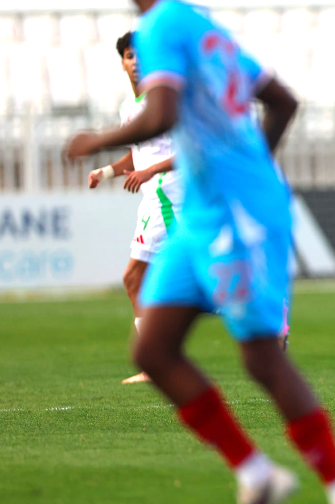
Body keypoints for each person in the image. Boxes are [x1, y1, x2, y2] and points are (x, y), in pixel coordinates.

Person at [64, 1, 335, 503]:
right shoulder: (203, 27)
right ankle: (256, 473)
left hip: (237, 212)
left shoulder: (160, 25)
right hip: (201, 212)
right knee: (152, 350)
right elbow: (282, 102)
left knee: (262, 358)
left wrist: (96, 141)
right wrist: (250, 162)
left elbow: (162, 114)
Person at [88, 31, 182, 385]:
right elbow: (137, 154)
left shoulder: (164, 102)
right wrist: (106, 172)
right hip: (152, 196)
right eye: (130, 55)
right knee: (155, 279)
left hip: (169, 196)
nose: (137, 61)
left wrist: (150, 171)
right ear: (123, 63)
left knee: (140, 277)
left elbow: (187, 152)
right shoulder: (130, 108)